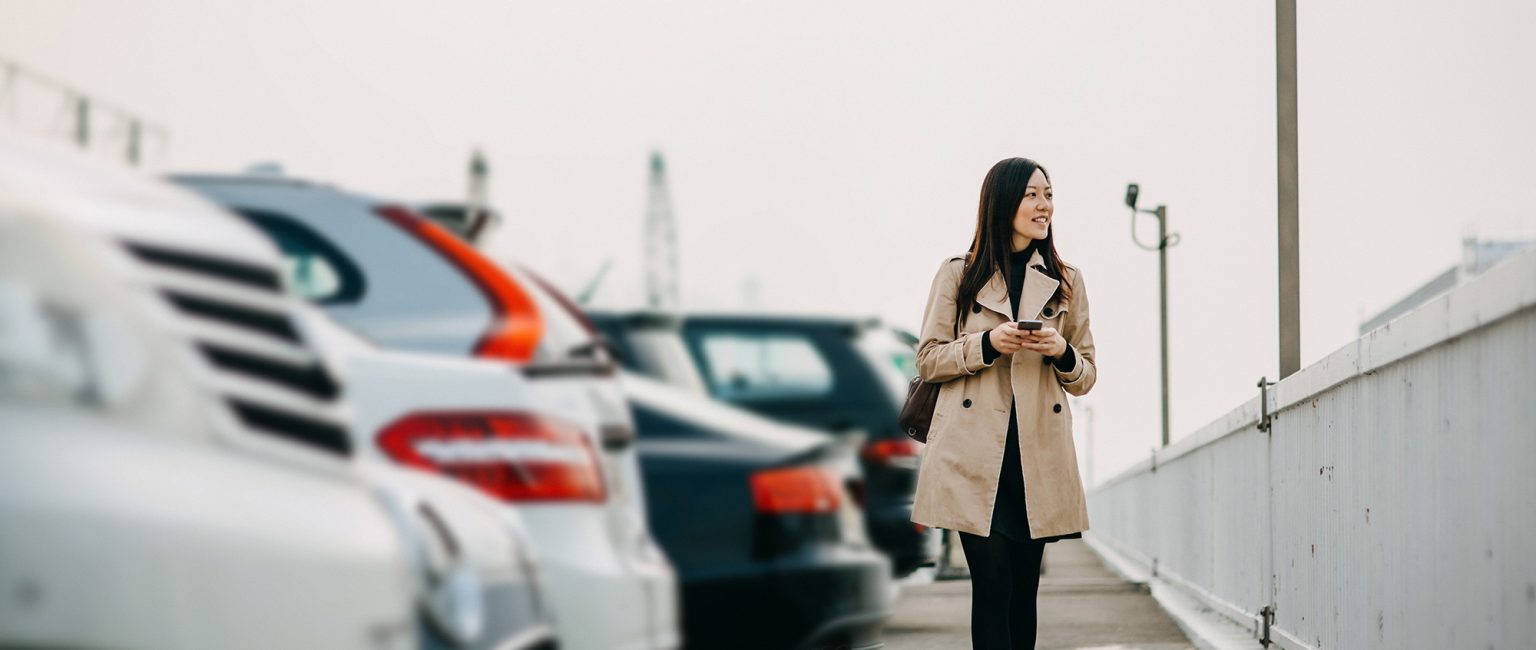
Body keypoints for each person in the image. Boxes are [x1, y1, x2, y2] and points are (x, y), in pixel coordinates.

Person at [911, 157, 1098, 649]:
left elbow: (1086, 377)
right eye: (1032, 195)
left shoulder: (1066, 281)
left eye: (1049, 194)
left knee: (1023, 591)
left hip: (1035, 456)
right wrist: (989, 343)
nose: (1044, 206)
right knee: (992, 586)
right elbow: (928, 361)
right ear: (1002, 202)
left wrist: (1061, 352)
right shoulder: (959, 274)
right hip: (974, 455)